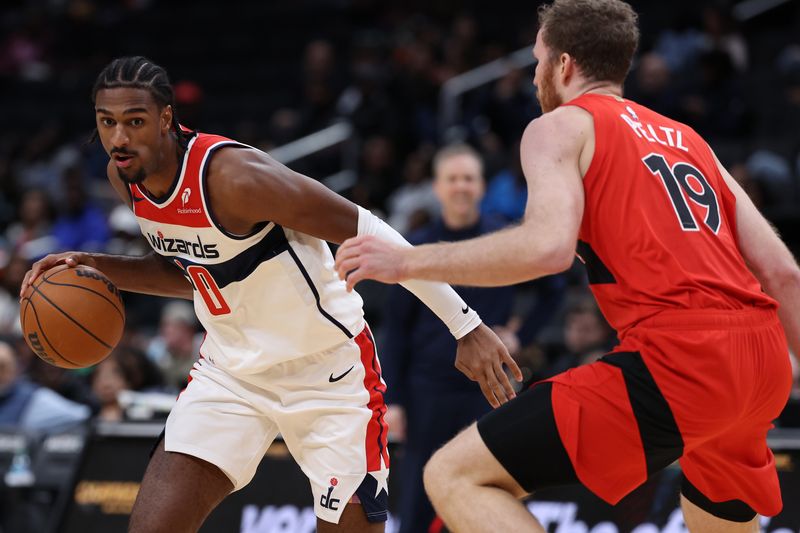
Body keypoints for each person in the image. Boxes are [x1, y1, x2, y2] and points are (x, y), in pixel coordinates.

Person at [334, 1, 800, 531]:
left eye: (537, 60)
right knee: (717, 519)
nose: (535, 75)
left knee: (453, 475)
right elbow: (783, 274)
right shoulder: (691, 140)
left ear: (563, 65)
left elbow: (546, 249)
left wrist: (406, 261)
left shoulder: (561, 126)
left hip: (681, 358)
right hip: (762, 359)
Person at [20, 56, 520, 533]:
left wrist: (465, 325)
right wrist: (93, 267)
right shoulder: (125, 176)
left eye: (134, 121)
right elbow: (197, 271)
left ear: (166, 117)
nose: (119, 138)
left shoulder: (235, 179)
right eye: (107, 122)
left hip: (326, 373)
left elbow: (370, 230)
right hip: (231, 372)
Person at [382, 143, 564, 533]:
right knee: (417, 497)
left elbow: (555, 287)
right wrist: (393, 399)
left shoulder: (502, 235)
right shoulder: (416, 244)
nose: (461, 186)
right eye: (452, 179)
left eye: (469, 178)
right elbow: (396, 330)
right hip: (425, 391)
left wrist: (520, 335)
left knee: (483, 493)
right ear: (437, 187)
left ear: (482, 186)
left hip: (488, 389)